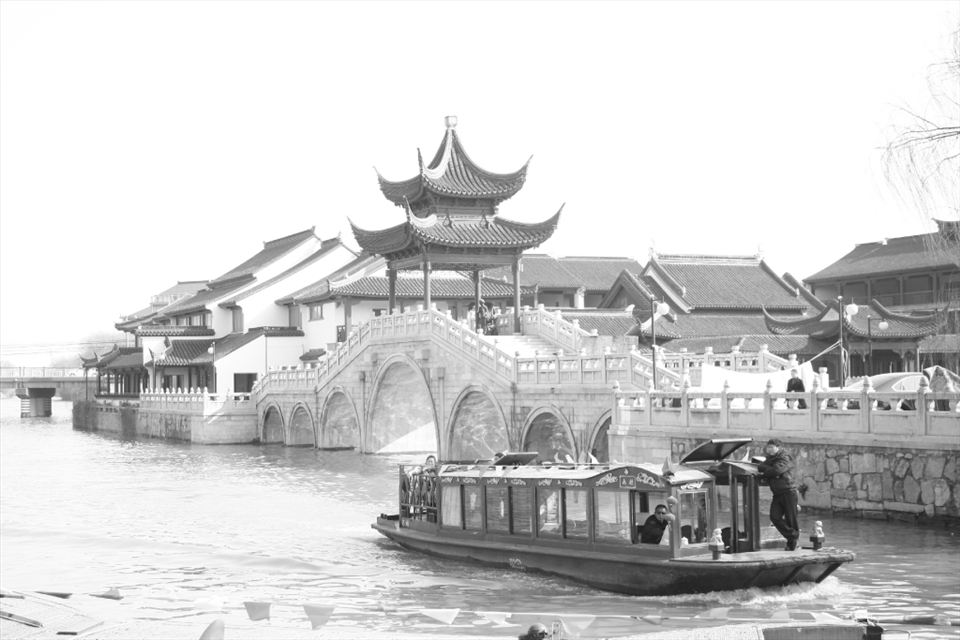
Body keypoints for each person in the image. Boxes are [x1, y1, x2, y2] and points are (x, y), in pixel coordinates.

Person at [757, 438, 800, 550]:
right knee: (774, 517)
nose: (769, 450)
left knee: (790, 519)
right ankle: (794, 536)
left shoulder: (785, 457)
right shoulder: (770, 459)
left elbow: (777, 471)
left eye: (772, 447)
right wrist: (770, 470)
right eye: (768, 447)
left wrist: (767, 473)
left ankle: (792, 543)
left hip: (788, 490)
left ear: (778, 448)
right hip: (777, 493)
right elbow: (760, 467)